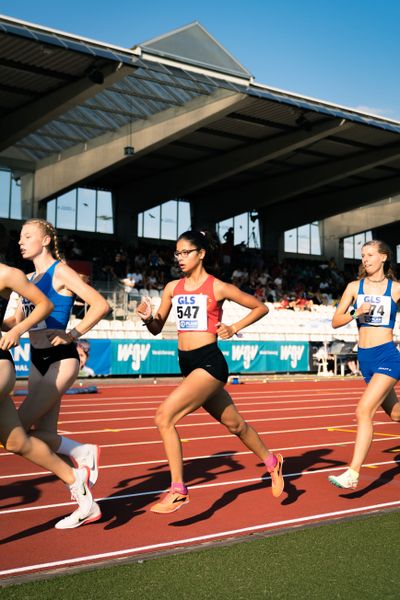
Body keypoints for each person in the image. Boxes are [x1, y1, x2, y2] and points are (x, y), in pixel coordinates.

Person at [137, 230, 284, 514]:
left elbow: (260, 307)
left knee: (164, 417)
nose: (179, 258)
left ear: (201, 253)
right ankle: (272, 461)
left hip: (210, 364)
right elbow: (156, 329)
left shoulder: (217, 287)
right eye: (176, 253)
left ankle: (178, 489)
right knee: (235, 425)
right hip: (187, 364)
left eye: (185, 252)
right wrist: (147, 319)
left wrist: (234, 328)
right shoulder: (171, 288)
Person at [0, 228, 100, 529]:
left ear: (45, 240)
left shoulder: (61, 272)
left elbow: (100, 304)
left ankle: (80, 455)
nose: (20, 241)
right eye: (19, 237)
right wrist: (12, 327)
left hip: (61, 356)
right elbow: (14, 321)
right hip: (36, 358)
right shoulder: (27, 281)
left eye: (27, 236)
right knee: (22, 438)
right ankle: (81, 457)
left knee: (23, 427)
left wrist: (73, 334)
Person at [328, 240, 400, 489]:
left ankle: (353, 473)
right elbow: (336, 321)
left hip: (388, 356)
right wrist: (355, 314)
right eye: (362, 256)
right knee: (395, 414)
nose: (365, 259)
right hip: (365, 359)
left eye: (370, 255)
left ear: (383, 258)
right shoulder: (353, 287)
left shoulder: (396, 289)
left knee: (363, 411)